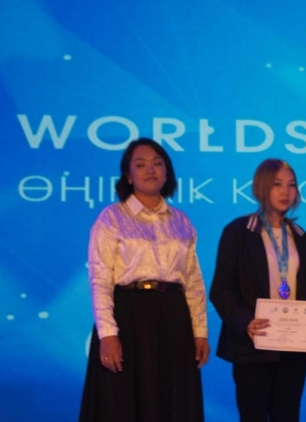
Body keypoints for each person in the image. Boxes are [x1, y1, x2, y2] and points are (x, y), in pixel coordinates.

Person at [79, 137, 209, 422]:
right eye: (140, 165)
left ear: (167, 172)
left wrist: (200, 332)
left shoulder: (181, 221)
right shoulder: (111, 218)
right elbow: (100, 279)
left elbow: (193, 282)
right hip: (129, 316)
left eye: (157, 163)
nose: (150, 170)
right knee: (123, 403)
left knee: (172, 401)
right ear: (128, 175)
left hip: (173, 316)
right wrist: (108, 335)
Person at [209, 159, 306, 422]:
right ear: (261, 187)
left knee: (287, 415)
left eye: (291, 185)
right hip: (254, 341)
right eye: (277, 184)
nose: (286, 192)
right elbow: (221, 287)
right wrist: (245, 321)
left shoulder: (301, 235)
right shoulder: (238, 231)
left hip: (293, 344)